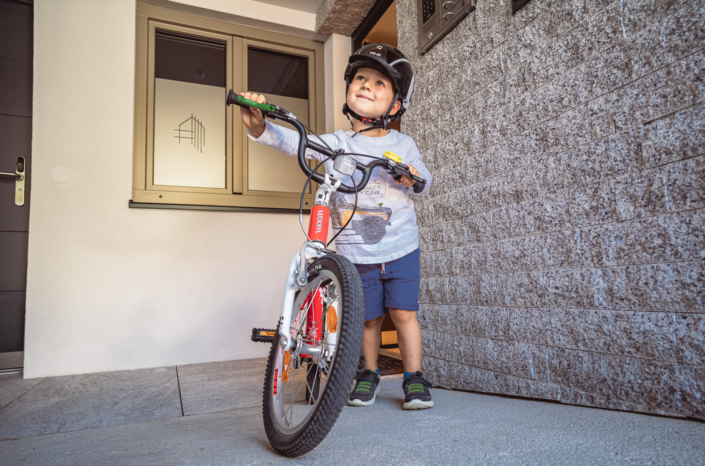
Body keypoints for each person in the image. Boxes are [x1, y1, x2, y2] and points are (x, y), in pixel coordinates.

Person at [240, 44, 434, 410]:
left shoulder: (403, 143)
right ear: (349, 89)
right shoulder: (336, 144)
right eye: (361, 78)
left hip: (401, 247)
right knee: (368, 320)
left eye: (379, 83)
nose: (366, 85)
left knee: (405, 314)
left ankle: (414, 378)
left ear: (395, 105)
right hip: (354, 252)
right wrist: (261, 127)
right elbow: (296, 141)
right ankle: (370, 373)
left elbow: (424, 179)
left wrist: (411, 178)